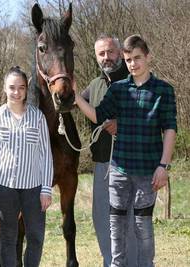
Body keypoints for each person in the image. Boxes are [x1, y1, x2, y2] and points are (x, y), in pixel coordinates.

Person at [75, 35, 177, 267]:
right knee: (115, 227)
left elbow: (170, 129)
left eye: (137, 58)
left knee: (142, 227)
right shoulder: (116, 89)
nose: (133, 63)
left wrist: (164, 166)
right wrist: (71, 92)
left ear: (147, 57)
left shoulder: (163, 90)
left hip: (146, 170)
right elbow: (98, 114)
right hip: (118, 170)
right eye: (129, 59)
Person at [0, 66, 54, 267]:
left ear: (26, 89)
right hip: (3, 187)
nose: (17, 92)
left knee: (36, 236)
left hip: (33, 187)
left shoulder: (37, 117)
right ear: (5, 89)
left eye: (21, 87)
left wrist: (46, 189)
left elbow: (45, 155)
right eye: (12, 87)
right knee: (8, 236)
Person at [81, 34, 137, 267]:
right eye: (101, 53)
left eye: (110, 52)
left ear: (120, 53)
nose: (106, 57)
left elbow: (150, 115)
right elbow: (70, 102)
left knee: (130, 221)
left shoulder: (135, 80)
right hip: (103, 164)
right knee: (102, 219)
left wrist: (121, 124)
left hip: (131, 163)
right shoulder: (94, 86)